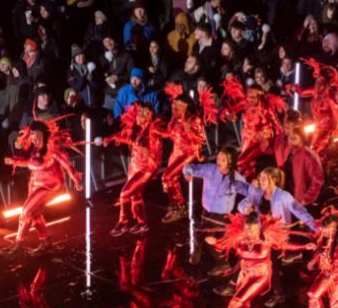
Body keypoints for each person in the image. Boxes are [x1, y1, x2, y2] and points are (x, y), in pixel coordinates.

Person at [203, 212, 313, 308]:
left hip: (260, 276)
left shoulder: (266, 238)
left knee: (236, 302)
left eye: (253, 228)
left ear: (259, 228)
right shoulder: (240, 237)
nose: (249, 232)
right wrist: (214, 243)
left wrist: (304, 247)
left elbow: (284, 245)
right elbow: (223, 246)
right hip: (244, 275)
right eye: (247, 228)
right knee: (244, 305)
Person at [0, 119, 83, 256]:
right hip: (35, 185)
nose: (34, 137)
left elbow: (67, 165)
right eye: (32, 134)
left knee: (26, 211)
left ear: (43, 135)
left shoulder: (52, 151)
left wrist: (76, 180)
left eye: (37, 134)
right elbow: (28, 164)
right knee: (35, 214)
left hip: (49, 186)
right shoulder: (33, 151)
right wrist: (13, 161)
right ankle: (46, 242)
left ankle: (18, 244)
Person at [237, 167, 316, 306]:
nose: (260, 181)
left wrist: (315, 226)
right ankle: (260, 287)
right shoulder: (259, 193)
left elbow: (300, 211)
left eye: (264, 178)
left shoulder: (283, 196)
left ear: (274, 179)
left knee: (271, 263)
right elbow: (242, 204)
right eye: (260, 177)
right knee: (259, 262)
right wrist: (247, 208)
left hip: (276, 238)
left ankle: (279, 294)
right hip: (260, 235)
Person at [184, 145, 250, 268]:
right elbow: (191, 168)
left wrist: (245, 207)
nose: (219, 162)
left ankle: (196, 253)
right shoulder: (210, 169)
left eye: (223, 160)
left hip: (221, 215)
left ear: (230, 162)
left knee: (200, 233)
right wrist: (187, 173)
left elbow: (250, 192)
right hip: (207, 211)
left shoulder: (236, 178)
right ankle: (222, 264)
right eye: (218, 158)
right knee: (209, 240)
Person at [106, 102, 165, 237]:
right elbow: (129, 140)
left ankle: (123, 222)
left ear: (149, 116)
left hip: (146, 169)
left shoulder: (153, 131)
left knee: (124, 193)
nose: (139, 116)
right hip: (134, 166)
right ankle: (142, 223)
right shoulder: (138, 129)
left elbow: (145, 150)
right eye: (139, 113)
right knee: (135, 196)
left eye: (143, 114)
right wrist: (113, 137)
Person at [159, 84, 205, 223]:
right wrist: (154, 129)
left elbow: (201, 139)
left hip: (189, 152)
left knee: (166, 177)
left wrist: (187, 126)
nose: (175, 107)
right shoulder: (175, 118)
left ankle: (179, 207)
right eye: (175, 104)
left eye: (179, 105)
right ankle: (176, 206)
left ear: (186, 106)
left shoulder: (193, 119)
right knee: (170, 180)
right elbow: (169, 134)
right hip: (177, 151)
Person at [220, 78, 283, 180]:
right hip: (247, 136)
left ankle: (237, 184)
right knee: (248, 165)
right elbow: (230, 110)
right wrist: (227, 114)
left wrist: (282, 143)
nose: (250, 100)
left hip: (261, 138)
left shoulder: (267, 109)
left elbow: (278, 126)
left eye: (253, 97)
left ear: (259, 97)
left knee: (241, 161)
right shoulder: (245, 103)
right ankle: (250, 188)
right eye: (248, 97)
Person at [285, 58, 338, 159]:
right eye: (317, 81)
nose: (318, 84)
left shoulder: (330, 97)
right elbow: (302, 92)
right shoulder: (314, 91)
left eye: (321, 81)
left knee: (316, 152)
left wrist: (334, 131)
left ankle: (320, 171)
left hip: (327, 129)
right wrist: (293, 87)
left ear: (326, 84)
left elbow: (337, 116)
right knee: (312, 150)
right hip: (318, 127)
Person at [276, 128, 324, 206]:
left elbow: (318, 179)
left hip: (302, 203)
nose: (290, 141)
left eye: (294, 139)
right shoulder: (289, 153)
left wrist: (307, 199)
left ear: (302, 140)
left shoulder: (308, 155)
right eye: (289, 138)